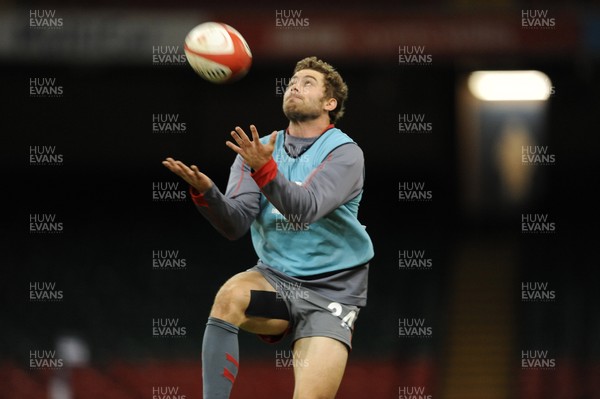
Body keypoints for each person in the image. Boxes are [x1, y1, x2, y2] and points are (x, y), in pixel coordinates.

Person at [163, 56, 374, 399]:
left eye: (308, 83)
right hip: (276, 282)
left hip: (332, 293)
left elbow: (305, 210)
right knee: (229, 296)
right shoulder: (259, 151)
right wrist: (208, 194)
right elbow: (235, 224)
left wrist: (264, 170)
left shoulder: (345, 154)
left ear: (329, 103)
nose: (295, 86)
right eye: (292, 81)